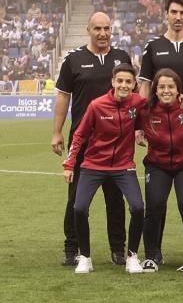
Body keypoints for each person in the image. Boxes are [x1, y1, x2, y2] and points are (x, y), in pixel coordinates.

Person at [52, 12, 130, 266]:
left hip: (116, 143)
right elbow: (63, 96)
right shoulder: (73, 60)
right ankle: (71, 248)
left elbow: (133, 96)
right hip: (83, 142)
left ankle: (118, 249)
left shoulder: (121, 58)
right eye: (97, 28)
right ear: (88, 30)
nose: (103, 33)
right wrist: (57, 131)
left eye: (107, 28)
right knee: (76, 197)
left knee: (115, 198)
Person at [62, 63, 146, 275]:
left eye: (128, 82)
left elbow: (162, 104)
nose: (124, 85)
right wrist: (69, 165)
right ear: (113, 82)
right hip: (93, 165)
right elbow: (79, 135)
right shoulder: (96, 105)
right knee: (79, 208)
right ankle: (86, 257)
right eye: (120, 81)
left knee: (137, 207)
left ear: (134, 84)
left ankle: (132, 256)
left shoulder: (138, 103)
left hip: (123, 166)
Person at [138, 69, 183, 272]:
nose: (166, 91)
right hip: (157, 164)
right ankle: (151, 256)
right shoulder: (145, 110)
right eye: (162, 87)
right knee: (154, 208)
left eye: (171, 87)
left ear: (178, 90)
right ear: (155, 90)